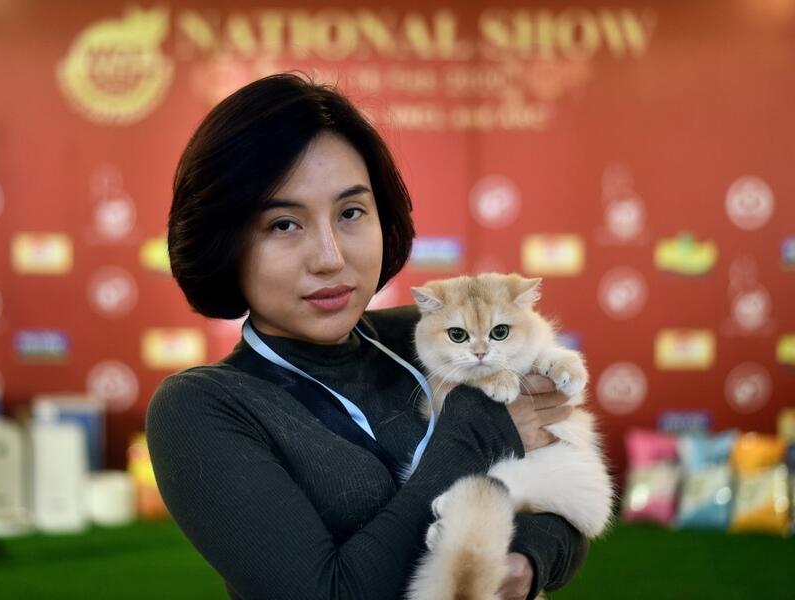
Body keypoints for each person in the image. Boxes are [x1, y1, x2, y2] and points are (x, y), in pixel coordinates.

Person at [145, 72, 588, 600]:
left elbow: (566, 486)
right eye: (284, 224)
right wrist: (484, 427)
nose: (331, 258)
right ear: (224, 241)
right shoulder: (202, 407)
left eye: (351, 212)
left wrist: (525, 561)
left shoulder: (429, 339)